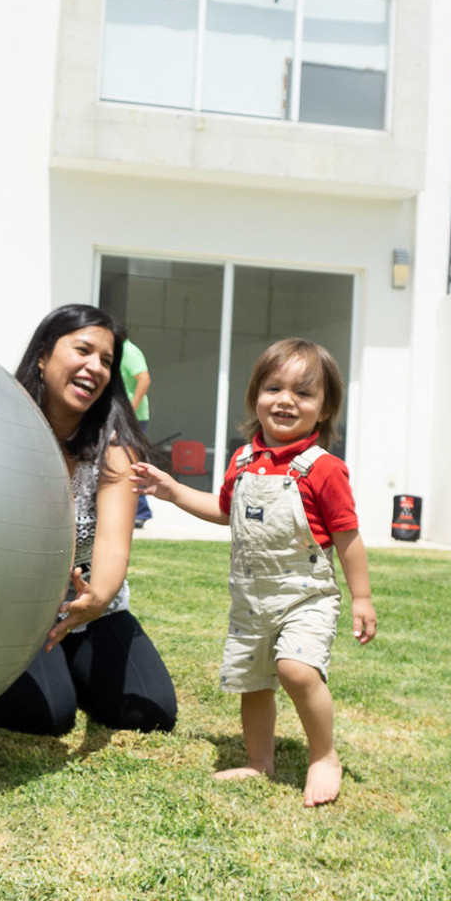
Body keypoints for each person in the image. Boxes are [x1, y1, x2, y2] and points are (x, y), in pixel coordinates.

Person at [132, 338, 376, 806]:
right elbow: (226, 511)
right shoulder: (243, 460)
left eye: (303, 393)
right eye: (273, 388)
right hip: (251, 598)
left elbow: (348, 536)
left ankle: (324, 756)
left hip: (305, 596)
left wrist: (361, 598)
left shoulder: (324, 470)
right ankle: (259, 761)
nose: (286, 400)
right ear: (255, 396)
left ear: (325, 409)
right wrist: (173, 491)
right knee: (253, 680)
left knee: (296, 670)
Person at [0, 304, 179, 737]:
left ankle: (70, 663)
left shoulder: (116, 449)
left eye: (106, 361)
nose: (95, 367)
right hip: (14, 610)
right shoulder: (0, 434)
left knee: (147, 713)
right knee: (44, 717)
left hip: (90, 608)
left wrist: (96, 599)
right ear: (43, 355)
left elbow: (111, 545)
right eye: (83, 350)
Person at [120, 338, 153, 528]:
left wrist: (130, 410)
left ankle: (141, 512)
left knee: (132, 463)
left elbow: (144, 379)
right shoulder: (114, 350)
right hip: (119, 416)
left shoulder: (128, 351)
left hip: (133, 418)